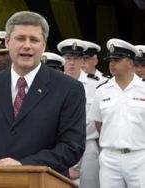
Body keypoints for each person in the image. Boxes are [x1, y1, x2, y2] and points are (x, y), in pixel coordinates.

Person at [0, 11, 86, 177]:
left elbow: (71, 147)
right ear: (8, 41)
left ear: (43, 44)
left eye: (34, 39)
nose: (27, 45)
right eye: (20, 38)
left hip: (44, 181)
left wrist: (23, 165)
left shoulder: (68, 88)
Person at [89, 39, 145, 188]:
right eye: (110, 60)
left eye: (117, 60)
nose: (112, 64)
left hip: (139, 157)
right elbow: (99, 122)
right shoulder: (102, 90)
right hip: (109, 158)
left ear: (131, 63)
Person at [57, 38, 100, 188]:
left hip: (88, 145)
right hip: (59, 145)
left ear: (83, 61)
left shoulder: (97, 85)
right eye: (68, 58)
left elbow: (98, 119)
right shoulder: (53, 84)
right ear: (63, 60)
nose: (71, 63)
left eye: (76, 58)